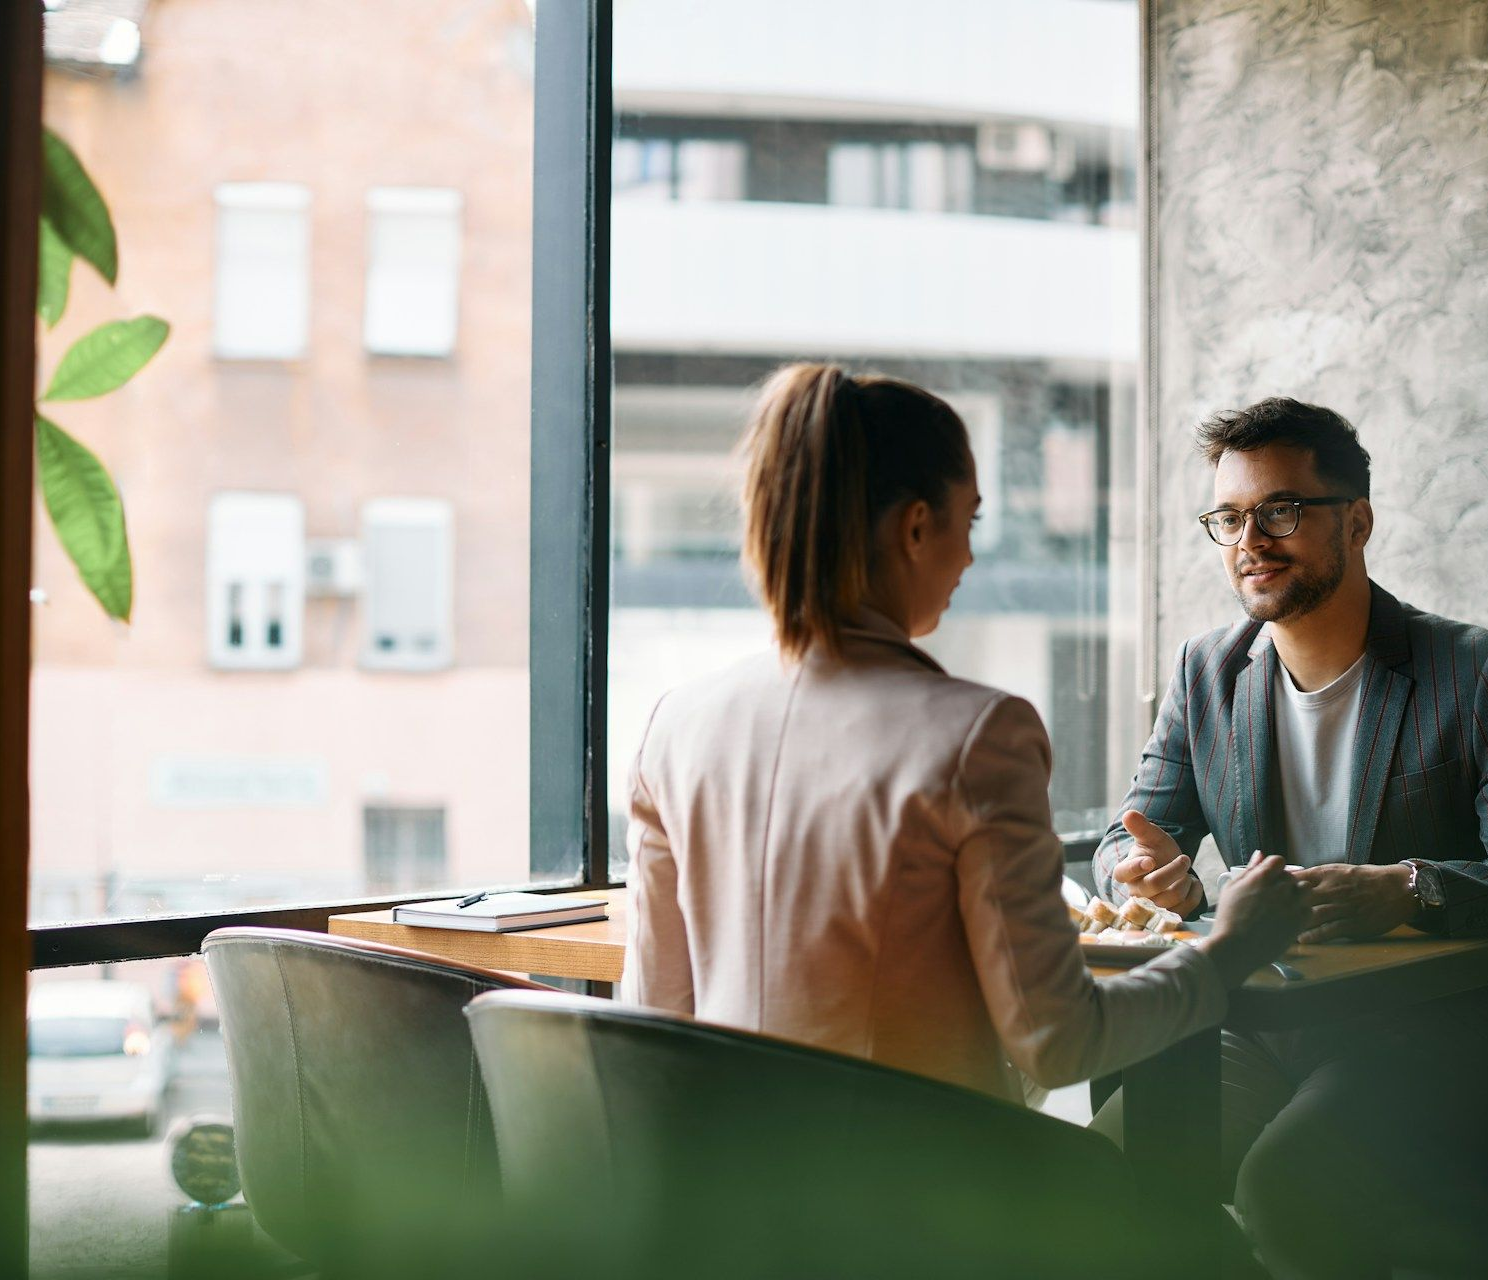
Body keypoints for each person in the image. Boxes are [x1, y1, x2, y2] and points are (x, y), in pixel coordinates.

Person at [622, 362, 1306, 1107]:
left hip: (732, 1196)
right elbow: (1057, 1040)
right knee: (1169, 1212)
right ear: (917, 526)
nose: (971, 555)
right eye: (969, 520)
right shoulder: (976, 734)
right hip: (927, 1195)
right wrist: (1229, 950)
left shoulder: (676, 723)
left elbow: (651, 1015)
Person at [1091, 396, 1488, 1278]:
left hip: (1422, 1035)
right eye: (1228, 517)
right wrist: (1146, 873)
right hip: (1259, 1021)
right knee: (1108, 1176)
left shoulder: (1469, 672)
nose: (1248, 541)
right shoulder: (1207, 671)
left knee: (1287, 1190)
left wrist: (1408, 887)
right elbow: (1126, 836)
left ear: (1356, 522)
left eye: (1279, 511)